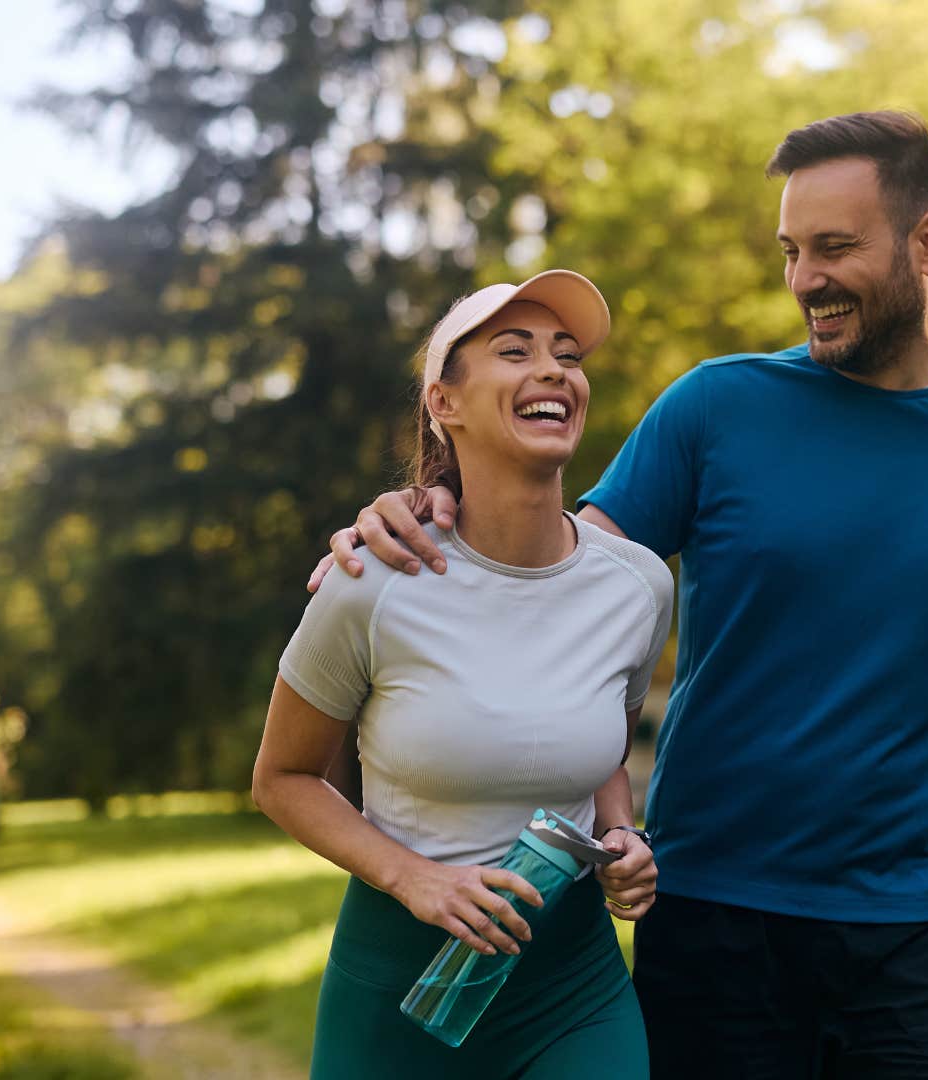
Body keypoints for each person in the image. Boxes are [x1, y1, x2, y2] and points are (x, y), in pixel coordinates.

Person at [314, 112, 928, 1077]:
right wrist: (425, 504)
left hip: (919, 934)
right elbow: (552, 568)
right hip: (714, 924)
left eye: (835, 247)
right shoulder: (716, 408)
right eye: (790, 251)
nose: (804, 279)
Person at [256, 270, 672, 1078]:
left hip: (572, 988)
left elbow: (601, 754)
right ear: (444, 403)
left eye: (568, 354)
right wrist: (416, 881)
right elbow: (283, 778)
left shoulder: (639, 586)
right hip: (400, 985)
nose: (554, 370)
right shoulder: (372, 583)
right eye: (514, 351)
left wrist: (622, 835)